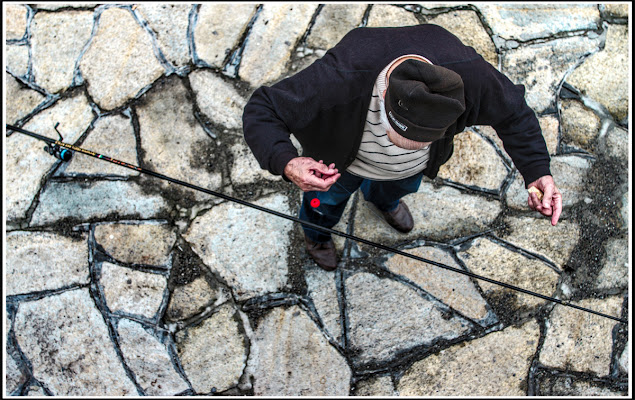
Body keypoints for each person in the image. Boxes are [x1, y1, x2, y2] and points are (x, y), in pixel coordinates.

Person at [242, 24, 563, 271]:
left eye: (425, 138)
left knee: (397, 188)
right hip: (338, 166)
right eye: (398, 135)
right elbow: (263, 108)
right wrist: (286, 162)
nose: (409, 147)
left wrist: (537, 171)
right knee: (322, 206)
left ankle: (384, 200)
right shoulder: (344, 72)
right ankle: (316, 236)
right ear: (383, 94)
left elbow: (514, 113)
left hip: (408, 172)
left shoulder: (472, 75)